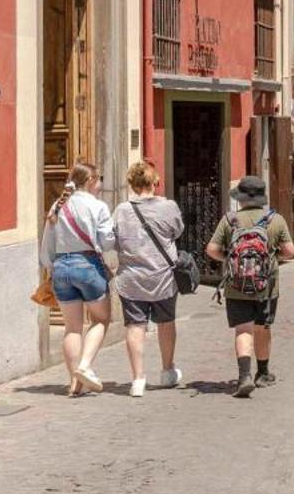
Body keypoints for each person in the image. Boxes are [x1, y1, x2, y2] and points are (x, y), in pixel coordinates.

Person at [204, 176, 294, 398]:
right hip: (266, 284)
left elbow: (211, 249)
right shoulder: (275, 220)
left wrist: (229, 257)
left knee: (242, 329)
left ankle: (244, 376)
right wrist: (273, 257)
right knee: (262, 327)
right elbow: (290, 251)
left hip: (236, 286)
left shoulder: (230, 220)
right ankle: (263, 374)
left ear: (241, 198)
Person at [38, 161, 116, 396]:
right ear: (90, 180)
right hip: (88, 265)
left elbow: (47, 244)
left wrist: (51, 267)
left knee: (71, 327)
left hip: (61, 267)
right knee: (101, 319)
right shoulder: (98, 206)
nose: (101, 183)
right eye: (99, 178)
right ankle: (85, 366)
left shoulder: (58, 205)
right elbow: (106, 242)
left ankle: (75, 383)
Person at [113, 160, 186, 398]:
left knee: (135, 326)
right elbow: (178, 231)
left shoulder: (122, 210)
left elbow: (114, 239)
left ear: (132, 184)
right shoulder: (169, 207)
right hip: (162, 276)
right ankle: (167, 370)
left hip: (131, 278)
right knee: (166, 322)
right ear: (155, 182)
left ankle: (137, 379)